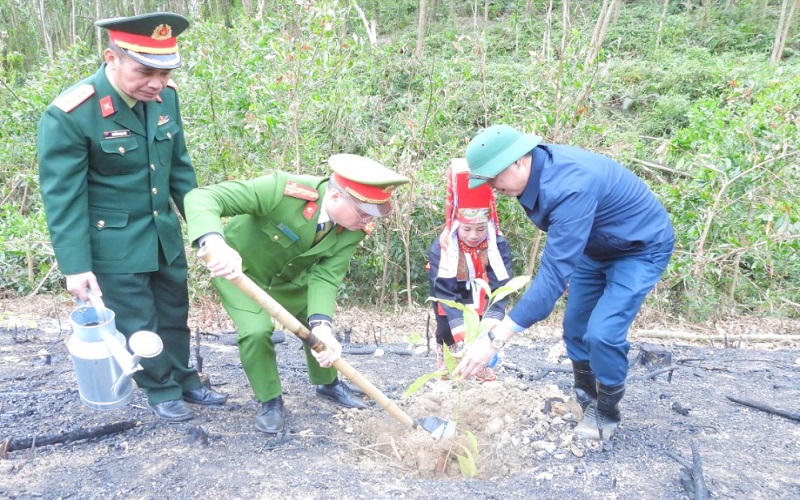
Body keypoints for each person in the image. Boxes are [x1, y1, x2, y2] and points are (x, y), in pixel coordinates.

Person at [37, 13, 226, 422]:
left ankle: (185, 379)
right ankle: (160, 388)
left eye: (165, 72)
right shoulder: (72, 112)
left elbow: (180, 171)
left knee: (175, 313)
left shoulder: (164, 98)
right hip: (114, 243)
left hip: (162, 235)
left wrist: (205, 231)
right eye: (145, 71)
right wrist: (76, 266)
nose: (156, 83)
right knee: (139, 321)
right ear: (112, 57)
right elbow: (63, 198)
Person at [453, 124, 674, 440]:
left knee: (603, 333)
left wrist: (494, 339)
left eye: (493, 177)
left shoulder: (570, 185)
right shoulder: (531, 176)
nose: (491, 186)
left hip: (639, 248)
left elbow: (553, 276)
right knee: (574, 328)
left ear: (518, 160)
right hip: (594, 247)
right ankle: (585, 394)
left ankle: (606, 411)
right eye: (485, 179)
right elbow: (563, 246)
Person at [184, 154, 409, 434]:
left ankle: (328, 384)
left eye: (372, 214)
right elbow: (202, 197)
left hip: (291, 281)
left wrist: (322, 326)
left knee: (316, 327)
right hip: (239, 274)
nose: (367, 220)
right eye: (363, 211)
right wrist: (214, 242)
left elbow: (326, 275)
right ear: (337, 197)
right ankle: (270, 400)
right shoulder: (282, 191)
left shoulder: (354, 229)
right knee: (255, 332)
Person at [427, 159, 513, 381]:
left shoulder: (497, 244)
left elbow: (502, 286)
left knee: (483, 321)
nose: (474, 235)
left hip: (480, 290)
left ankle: (481, 366)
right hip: (448, 291)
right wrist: (462, 335)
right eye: (467, 228)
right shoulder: (443, 247)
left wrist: (492, 324)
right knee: (446, 327)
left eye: (480, 228)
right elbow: (445, 292)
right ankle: (448, 368)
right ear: (457, 225)